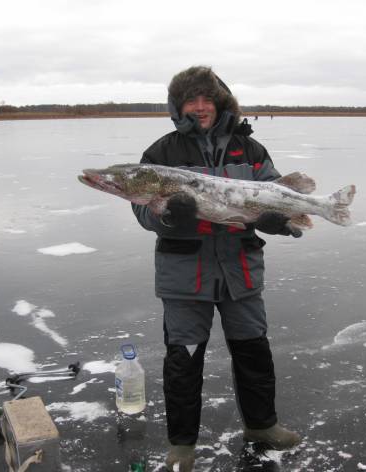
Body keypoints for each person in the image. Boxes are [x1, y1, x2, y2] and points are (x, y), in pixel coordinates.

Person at [132, 66, 302, 472]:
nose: (201, 106)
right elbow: (142, 212)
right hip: (184, 275)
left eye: (208, 99)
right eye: (191, 99)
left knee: (253, 352)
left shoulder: (250, 150)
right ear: (178, 106)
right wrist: (171, 215)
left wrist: (277, 219)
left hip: (240, 269)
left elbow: (276, 192)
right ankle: (182, 446)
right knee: (183, 361)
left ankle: (262, 426)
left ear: (221, 103)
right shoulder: (161, 153)